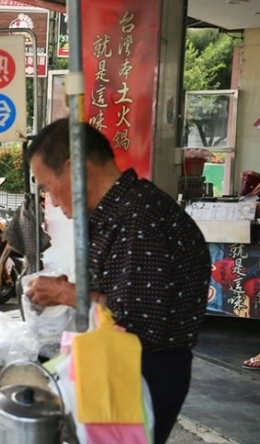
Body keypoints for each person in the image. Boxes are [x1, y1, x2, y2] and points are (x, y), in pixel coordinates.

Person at [23, 119, 211, 444]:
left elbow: (137, 321)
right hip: (124, 362)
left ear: (74, 170)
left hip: (145, 370)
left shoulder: (138, 219)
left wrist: (68, 293)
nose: (50, 200)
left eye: (46, 186)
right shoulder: (119, 212)